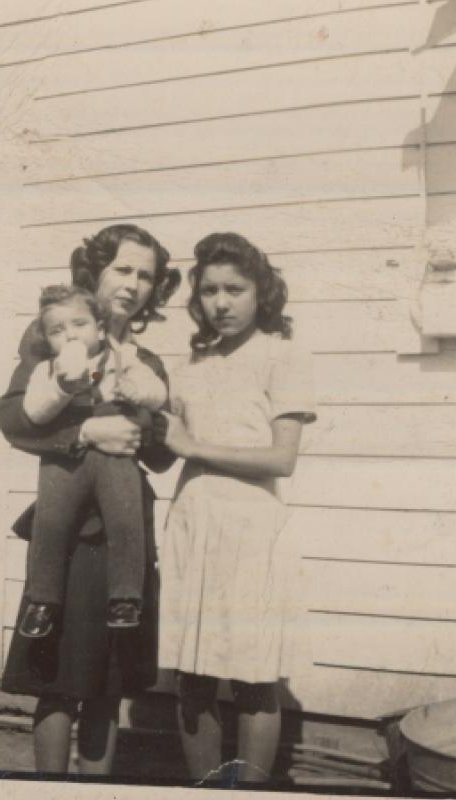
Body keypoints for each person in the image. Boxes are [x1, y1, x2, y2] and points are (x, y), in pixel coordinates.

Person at [0, 223, 180, 775]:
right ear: (95, 271)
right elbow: (13, 418)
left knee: (108, 684)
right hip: (69, 535)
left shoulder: (144, 360)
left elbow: (163, 455)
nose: (133, 284)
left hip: (122, 537)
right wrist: (84, 435)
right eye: (122, 268)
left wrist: (141, 424)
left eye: (146, 276)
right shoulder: (51, 336)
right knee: (56, 683)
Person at [158, 232, 317, 784]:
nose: (220, 302)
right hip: (193, 525)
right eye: (209, 291)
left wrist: (194, 448)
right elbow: (162, 445)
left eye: (235, 289)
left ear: (261, 292)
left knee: (253, 675)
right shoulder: (190, 366)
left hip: (251, 531)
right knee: (193, 675)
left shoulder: (281, 356)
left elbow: (282, 458)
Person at [20, 284, 169, 637]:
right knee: (51, 523)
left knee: (125, 519)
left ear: (100, 329)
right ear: (47, 339)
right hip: (68, 459)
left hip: (115, 457)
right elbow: (33, 413)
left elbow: (158, 393)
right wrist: (61, 387)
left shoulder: (125, 359)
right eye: (57, 330)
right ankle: (42, 600)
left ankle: (125, 596)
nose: (69, 334)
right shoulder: (47, 369)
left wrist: (139, 391)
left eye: (79, 325)